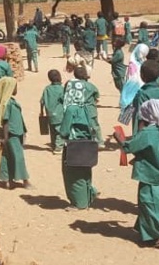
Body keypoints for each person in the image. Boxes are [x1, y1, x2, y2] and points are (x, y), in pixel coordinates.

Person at [114, 103, 159, 248]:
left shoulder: (148, 133)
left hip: (149, 173)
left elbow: (129, 147)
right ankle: (147, 233)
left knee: (149, 203)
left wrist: (119, 138)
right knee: (155, 202)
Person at [59, 63, 100, 208]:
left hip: (73, 144)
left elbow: (64, 131)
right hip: (88, 142)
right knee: (85, 171)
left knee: (73, 175)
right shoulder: (88, 110)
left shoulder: (70, 109)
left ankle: (79, 203)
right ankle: (89, 196)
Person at [0, 76, 31, 189]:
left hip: (15, 132)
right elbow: (5, 121)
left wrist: (23, 131)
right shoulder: (8, 103)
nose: (16, 89)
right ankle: (25, 181)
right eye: (15, 86)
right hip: (11, 134)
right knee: (18, 157)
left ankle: (6, 180)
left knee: (7, 156)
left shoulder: (10, 101)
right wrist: (5, 137)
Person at [41, 70, 65, 153]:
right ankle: (58, 147)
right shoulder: (61, 89)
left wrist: (42, 112)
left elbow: (42, 101)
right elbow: (64, 100)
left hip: (49, 113)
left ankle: (53, 145)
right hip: (59, 114)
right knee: (59, 130)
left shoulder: (47, 89)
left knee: (52, 130)